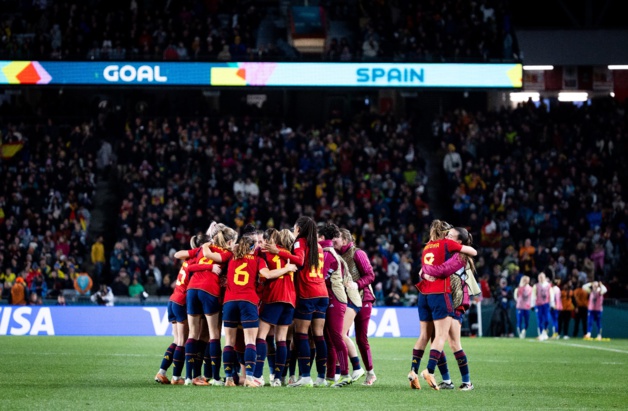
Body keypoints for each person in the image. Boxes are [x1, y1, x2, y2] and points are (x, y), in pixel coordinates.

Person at [409, 219, 477, 391]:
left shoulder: (460, 255)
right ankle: (446, 380)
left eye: (451, 234)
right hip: (443, 296)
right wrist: (425, 271)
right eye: (447, 233)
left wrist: (425, 271)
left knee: (453, 342)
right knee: (436, 339)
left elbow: (443, 270)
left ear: (458, 240)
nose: (447, 235)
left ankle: (466, 381)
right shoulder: (446, 249)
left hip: (456, 301)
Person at [222, 232, 296, 387]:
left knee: (229, 341)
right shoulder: (258, 259)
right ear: (252, 247)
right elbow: (267, 274)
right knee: (252, 340)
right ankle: (251, 378)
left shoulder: (231, 257)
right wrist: (286, 268)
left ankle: (229, 378)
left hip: (229, 301)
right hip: (248, 301)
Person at [262, 216, 327, 388]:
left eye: (294, 228)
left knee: (301, 334)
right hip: (322, 292)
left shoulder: (300, 243)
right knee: (318, 335)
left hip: (308, 292)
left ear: (299, 229)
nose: (293, 231)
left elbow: (299, 261)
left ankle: (305, 376)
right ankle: (322, 376)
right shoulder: (318, 246)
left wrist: (278, 252)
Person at [182, 223, 237, 386]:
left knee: (193, 334)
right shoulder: (226, 253)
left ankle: (189, 377)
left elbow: (190, 265)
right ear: (229, 241)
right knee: (214, 334)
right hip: (209, 290)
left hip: (192, 289)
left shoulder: (203, 249)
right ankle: (216, 378)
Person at [254, 228, 298, 387]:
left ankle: (257, 375)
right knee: (281, 339)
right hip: (290, 299)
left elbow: (264, 271)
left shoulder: (265, 253)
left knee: (262, 336)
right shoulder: (289, 255)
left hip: (274, 296)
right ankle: (278, 378)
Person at [334, 227, 377, 385]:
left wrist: (356, 284)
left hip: (363, 298)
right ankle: (342, 371)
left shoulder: (358, 253)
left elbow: (370, 275)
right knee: (340, 334)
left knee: (360, 338)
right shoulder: (337, 255)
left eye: (336, 238)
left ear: (345, 240)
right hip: (348, 300)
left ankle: (369, 372)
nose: (333, 241)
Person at [318, 223, 356, 388]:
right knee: (329, 340)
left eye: (318, 237)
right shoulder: (329, 253)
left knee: (337, 337)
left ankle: (346, 374)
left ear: (323, 238)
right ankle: (331, 376)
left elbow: (320, 277)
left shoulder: (327, 254)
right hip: (332, 299)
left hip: (336, 300)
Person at [532, 272, 551, 341]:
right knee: (539, 319)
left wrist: (552, 304)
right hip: (538, 304)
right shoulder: (536, 286)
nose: (540, 278)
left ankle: (545, 332)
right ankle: (540, 333)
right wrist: (532, 304)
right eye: (539, 277)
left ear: (545, 277)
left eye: (542, 277)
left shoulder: (548, 285)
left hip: (546, 304)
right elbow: (533, 295)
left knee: (547, 319)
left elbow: (551, 295)